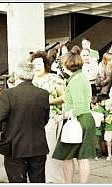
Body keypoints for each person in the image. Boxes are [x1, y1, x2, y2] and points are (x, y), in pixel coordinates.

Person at [0, 62, 50, 183]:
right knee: (39, 181)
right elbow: (45, 119)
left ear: (18, 75)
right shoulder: (43, 94)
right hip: (38, 146)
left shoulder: (8, 94)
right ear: (32, 75)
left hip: (16, 147)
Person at [52, 52, 95, 183]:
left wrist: (61, 116)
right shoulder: (81, 78)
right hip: (85, 120)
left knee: (67, 157)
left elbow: (78, 107)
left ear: (66, 65)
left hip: (76, 121)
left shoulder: (75, 81)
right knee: (82, 158)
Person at [30, 50, 65, 183]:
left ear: (45, 64)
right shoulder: (30, 80)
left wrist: (48, 101)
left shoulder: (54, 78)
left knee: (50, 150)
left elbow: (64, 97)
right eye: (34, 64)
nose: (37, 66)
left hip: (50, 118)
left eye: (39, 63)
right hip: (32, 121)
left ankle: (53, 180)